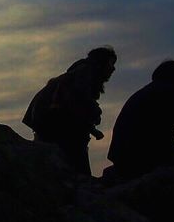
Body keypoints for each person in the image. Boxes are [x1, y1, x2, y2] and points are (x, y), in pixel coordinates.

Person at [23, 46, 117, 176]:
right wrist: (94, 112)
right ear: (102, 62)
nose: (113, 68)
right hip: (52, 123)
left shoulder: (79, 73)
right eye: (111, 63)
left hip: (47, 121)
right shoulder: (86, 72)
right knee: (75, 157)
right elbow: (77, 99)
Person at [106, 59, 174, 178]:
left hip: (121, 153)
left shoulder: (146, 91)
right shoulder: (170, 91)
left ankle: (122, 170)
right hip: (139, 151)